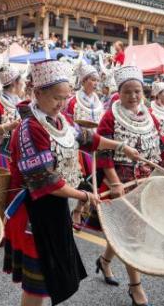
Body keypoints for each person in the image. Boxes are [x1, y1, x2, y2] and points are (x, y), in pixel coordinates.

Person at [3, 60, 139, 306]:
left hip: (54, 206)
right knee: (39, 280)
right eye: (57, 98)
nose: (62, 104)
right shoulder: (30, 128)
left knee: (48, 277)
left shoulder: (59, 120)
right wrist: (85, 197)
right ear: (38, 93)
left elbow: (87, 138)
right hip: (35, 211)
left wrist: (121, 146)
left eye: (66, 98)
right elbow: (46, 180)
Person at [95, 65, 164, 306]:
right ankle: (136, 287)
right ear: (119, 93)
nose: (133, 97)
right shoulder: (110, 116)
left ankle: (104, 261)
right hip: (120, 182)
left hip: (145, 182)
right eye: (128, 92)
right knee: (131, 233)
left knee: (127, 231)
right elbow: (103, 154)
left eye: (137, 92)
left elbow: (161, 149)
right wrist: (115, 183)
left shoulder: (149, 116)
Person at [64, 61, 104, 229]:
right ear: (84, 81)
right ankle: (77, 210)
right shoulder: (73, 101)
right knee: (83, 179)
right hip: (78, 144)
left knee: (94, 177)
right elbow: (67, 121)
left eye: (96, 80)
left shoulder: (98, 101)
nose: (95, 83)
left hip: (94, 143)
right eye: (92, 80)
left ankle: (80, 208)